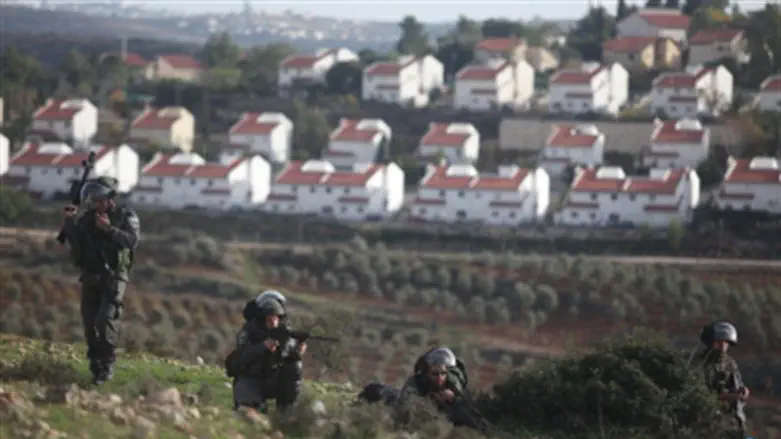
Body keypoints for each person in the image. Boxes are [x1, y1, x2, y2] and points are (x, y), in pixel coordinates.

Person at [61, 177, 140, 385]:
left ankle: (107, 365)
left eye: (99, 199)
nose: (95, 203)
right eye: (92, 199)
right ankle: (95, 367)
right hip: (91, 275)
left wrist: (109, 230)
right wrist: (70, 223)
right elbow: (76, 245)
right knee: (89, 323)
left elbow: (131, 241)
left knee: (104, 320)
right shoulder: (87, 219)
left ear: (110, 199)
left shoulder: (125, 215)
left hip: (114, 276)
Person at [225, 292, 306, 412]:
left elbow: (289, 356)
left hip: (272, 380)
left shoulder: (284, 332)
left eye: (276, 317)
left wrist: (296, 353)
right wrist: (262, 347)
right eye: (269, 318)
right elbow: (240, 358)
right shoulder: (249, 332)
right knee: (250, 412)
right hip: (251, 380)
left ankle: (286, 410)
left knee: (294, 366)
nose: (273, 322)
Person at [396, 347, 489, 433]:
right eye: (435, 374)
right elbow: (404, 403)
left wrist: (454, 399)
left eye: (443, 373)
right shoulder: (417, 382)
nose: (439, 378)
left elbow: (467, 406)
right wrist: (429, 399)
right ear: (427, 373)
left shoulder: (454, 381)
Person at [698, 321, 749, 439]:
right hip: (710, 421)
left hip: (731, 419)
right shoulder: (703, 363)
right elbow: (703, 393)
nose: (723, 346)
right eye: (719, 342)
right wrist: (729, 396)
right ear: (712, 343)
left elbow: (737, 383)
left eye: (726, 342)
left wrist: (743, 391)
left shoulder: (729, 363)